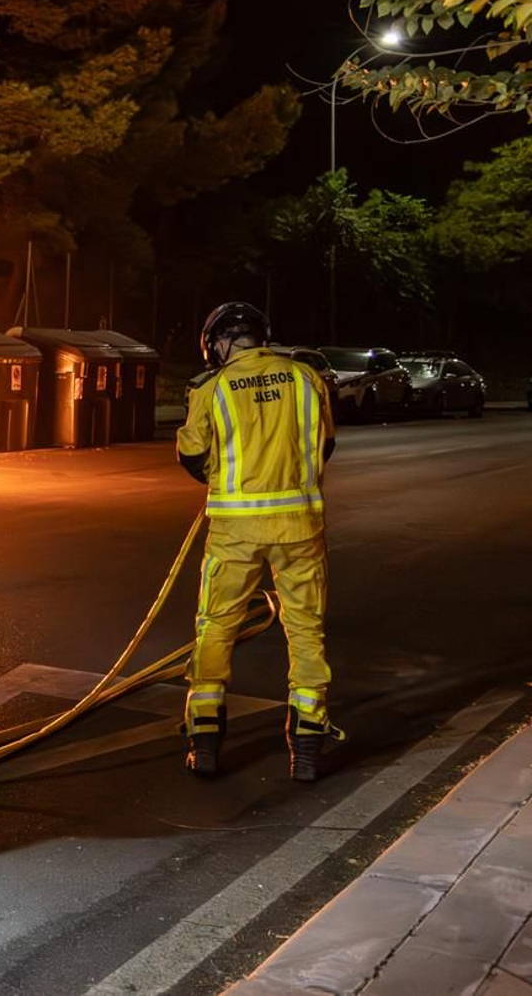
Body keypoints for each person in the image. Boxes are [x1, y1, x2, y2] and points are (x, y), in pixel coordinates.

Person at [176, 302, 338, 782]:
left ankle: (204, 740)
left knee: (216, 629)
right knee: (306, 633)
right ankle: (307, 742)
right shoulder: (307, 378)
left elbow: (191, 454)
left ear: (219, 343)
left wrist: (226, 477)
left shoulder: (213, 388)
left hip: (235, 534)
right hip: (300, 528)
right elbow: (325, 443)